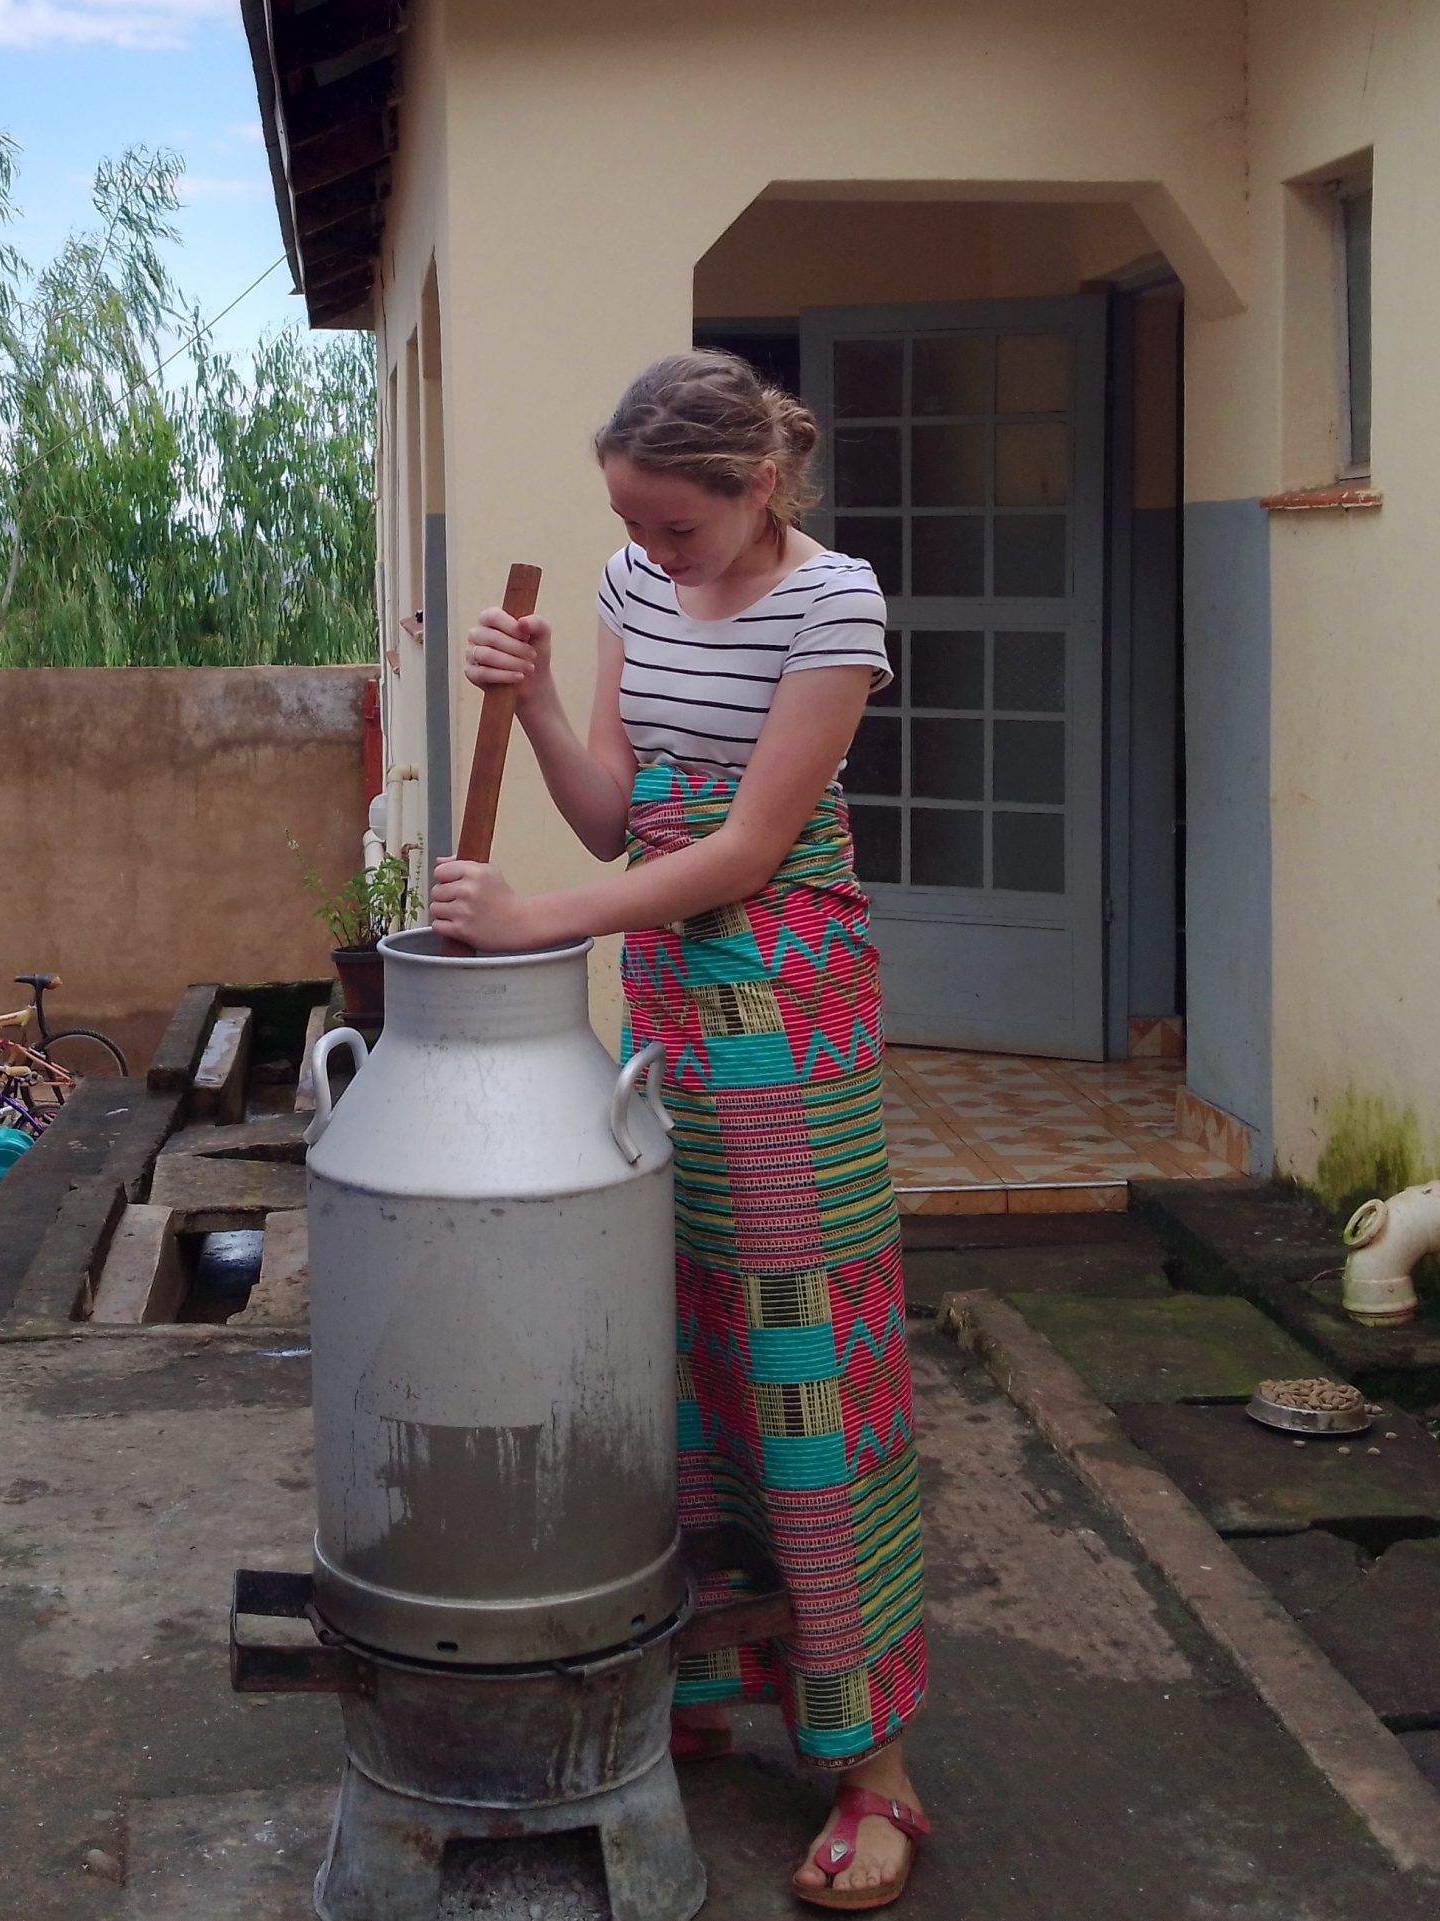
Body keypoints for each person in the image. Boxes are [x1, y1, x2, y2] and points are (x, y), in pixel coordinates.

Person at [430, 350, 930, 1912]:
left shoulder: (834, 604)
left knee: (801, 1356)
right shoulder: (633, 586)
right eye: (631, 531)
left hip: (785, 1012)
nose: (651, 556)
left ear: (758, 484)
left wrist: (531, 929)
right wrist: (533, 697)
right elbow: (613, 812)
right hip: (663, 1007)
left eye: (676, 532)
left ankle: (877, 1764)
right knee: (676, 1352)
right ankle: (711, 1680)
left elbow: (746, 848)